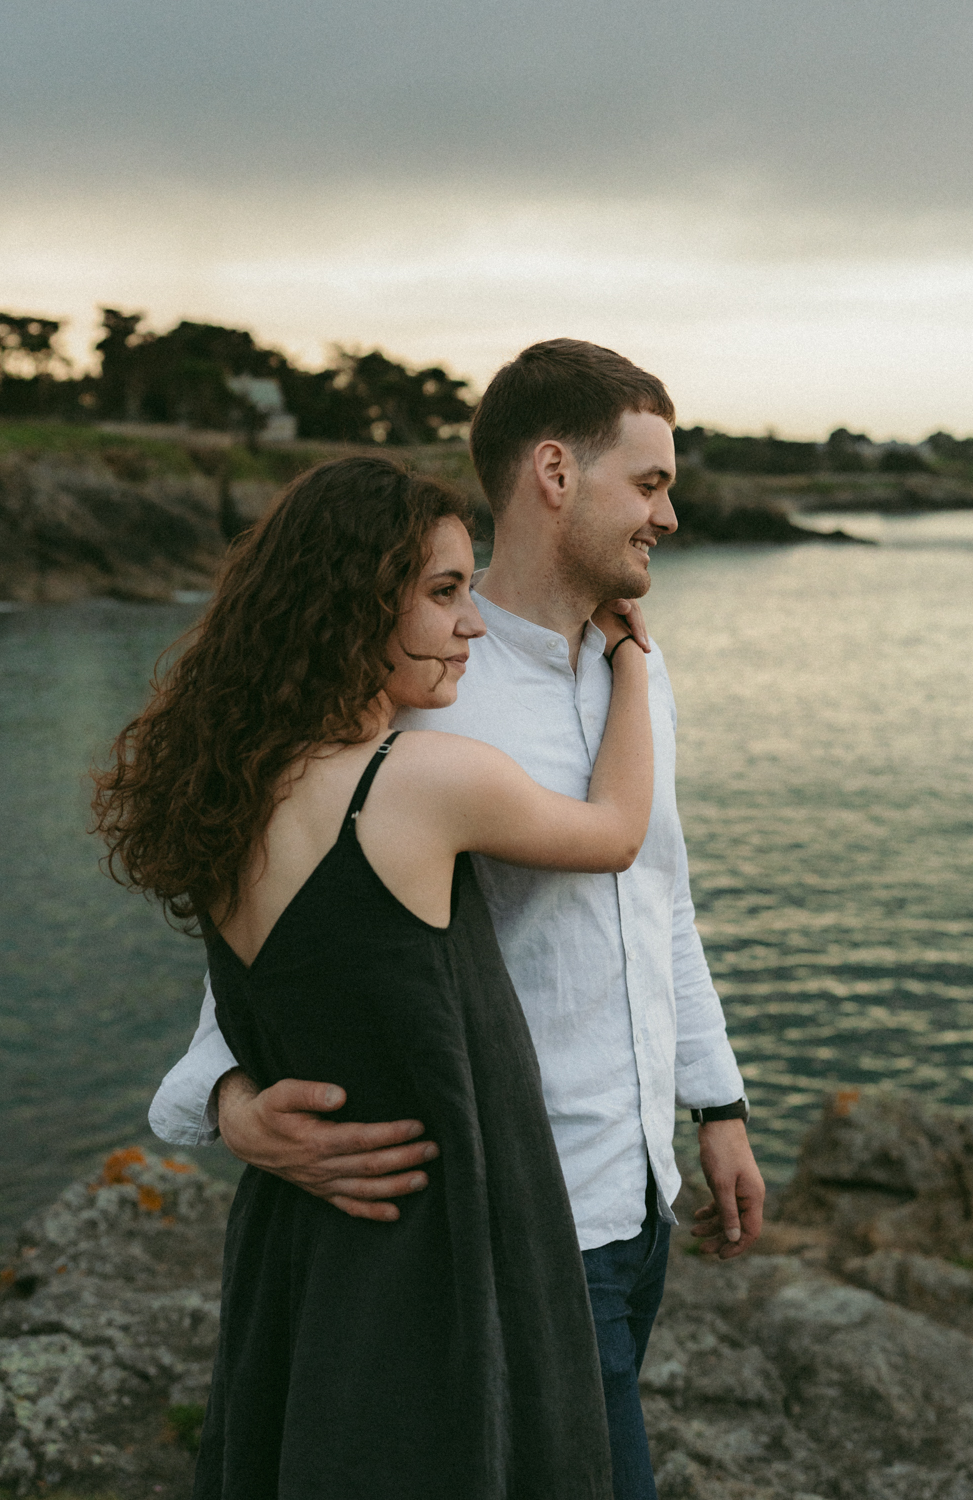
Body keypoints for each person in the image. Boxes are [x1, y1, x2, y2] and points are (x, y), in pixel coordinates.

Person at [150, 339, 766, 1500]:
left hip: (639, 1200)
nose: (668, 518)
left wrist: (716, 1104)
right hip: (516, 1218)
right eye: (648, 484)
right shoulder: (422, 697)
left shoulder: (641, 671)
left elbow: (659, 896)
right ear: (552, 472)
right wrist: (228, 1105)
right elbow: (291, 954)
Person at [94, 454, 657, 1499]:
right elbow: (617, 833)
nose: (472, 625)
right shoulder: (423, 781)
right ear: (353, 604)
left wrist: (233, 1103)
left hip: (297, 1240)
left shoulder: (223, 795)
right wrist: (629, 666)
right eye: (444, 593)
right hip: (440, 1245)